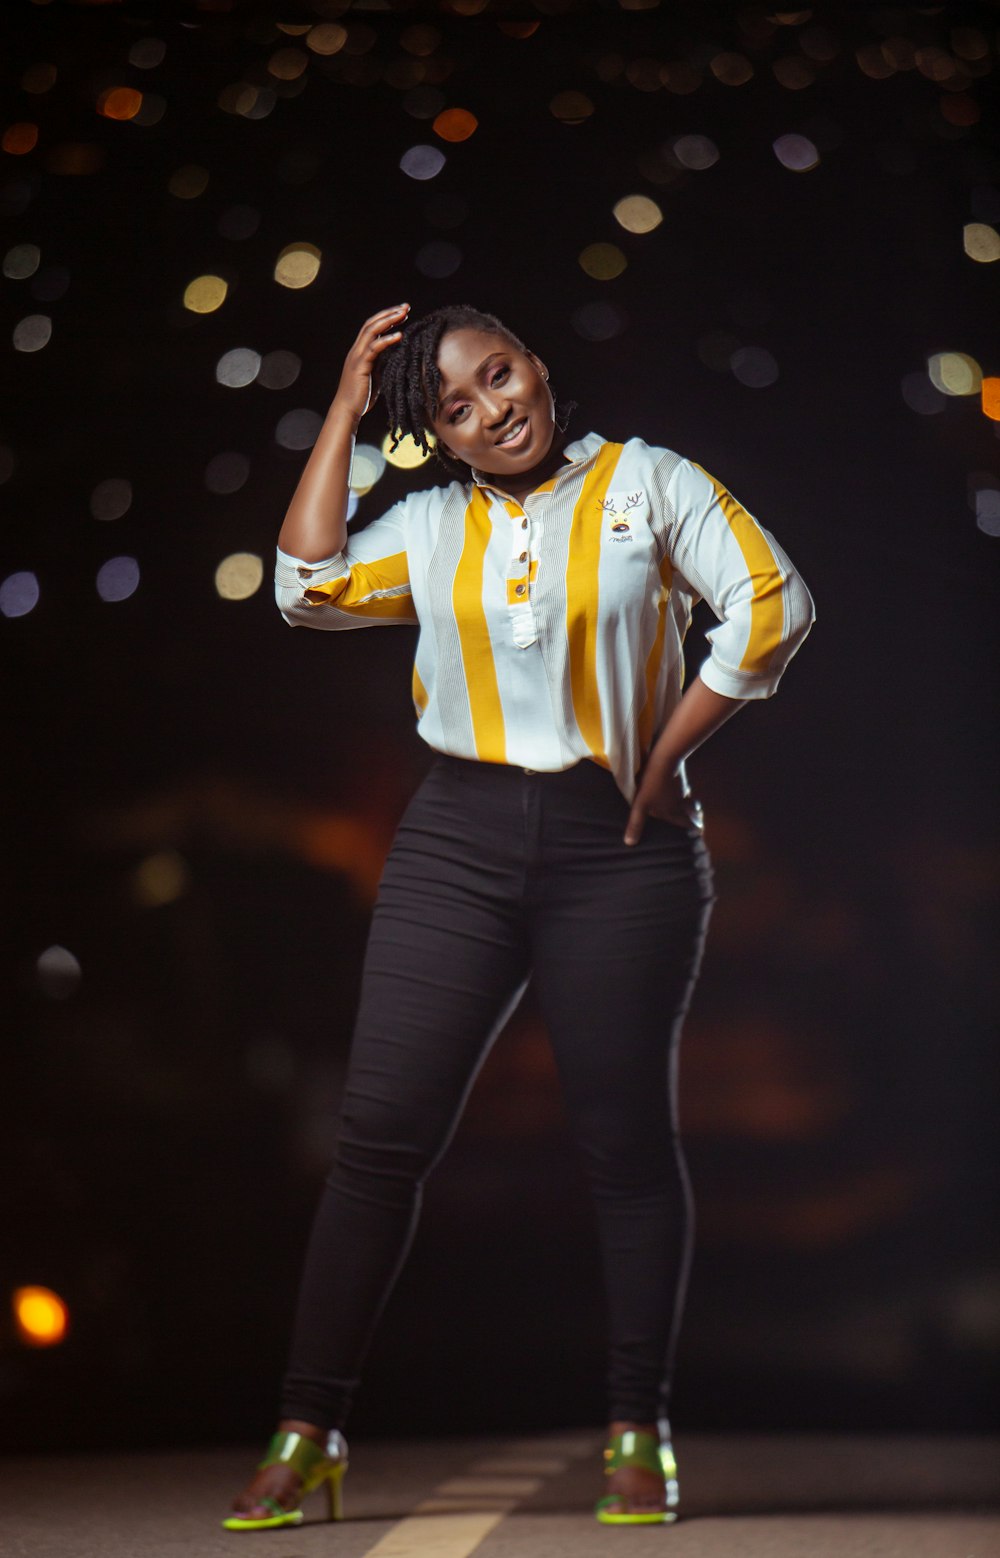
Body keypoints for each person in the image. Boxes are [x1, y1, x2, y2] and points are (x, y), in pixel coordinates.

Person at [224, 302, 814, 1531]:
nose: (493, 408)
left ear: (534, 363)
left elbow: (771, 605)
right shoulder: (431, 527)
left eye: (498, 375)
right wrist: (341, 409)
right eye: (454, 406)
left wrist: (659, 763)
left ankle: (637, 1428)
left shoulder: (649, 484)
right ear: (434, 437)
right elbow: (306, 586)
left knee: (622, 1144)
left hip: (625, 849)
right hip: (458, 841)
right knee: (381, 1132)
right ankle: (307, 1426)